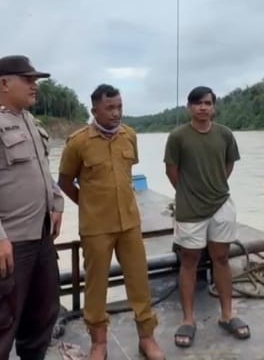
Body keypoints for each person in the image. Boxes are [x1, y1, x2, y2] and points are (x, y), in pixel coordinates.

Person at [0, 55, 65, 360]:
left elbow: (43, 170)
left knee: (42, 314)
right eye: (28, 80)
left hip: (39, 237)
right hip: (7, 243)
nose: (35, 86)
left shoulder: (29, 122)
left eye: (36, 81)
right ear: (5, 83)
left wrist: (56, 202)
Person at [58, 84, 165, 360]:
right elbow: (65, 182)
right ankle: (99, 343)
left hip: (129, 223)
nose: (116, 113)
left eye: (119, 106)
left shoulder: (129, 136)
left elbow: (127, 173)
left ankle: (147, 337)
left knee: (139, 281)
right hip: (96, 228)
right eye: (110, 108)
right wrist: (89, 205)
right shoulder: (78, 142)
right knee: (96, 286)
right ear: (95, 110)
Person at [163, 86, 250, 348]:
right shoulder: (178, 136)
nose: (203, 107)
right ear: (189, 107)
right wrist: (189, 193)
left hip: (221, 204)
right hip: (190, 209)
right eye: (197, 103)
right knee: (189, 261)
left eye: (208, 103)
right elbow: (171, 171)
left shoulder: (224, 134)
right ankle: (188, 320)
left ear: (214, 107)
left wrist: (214, 186)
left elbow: (228, 165)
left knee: (221, 258)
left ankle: (227, 314)